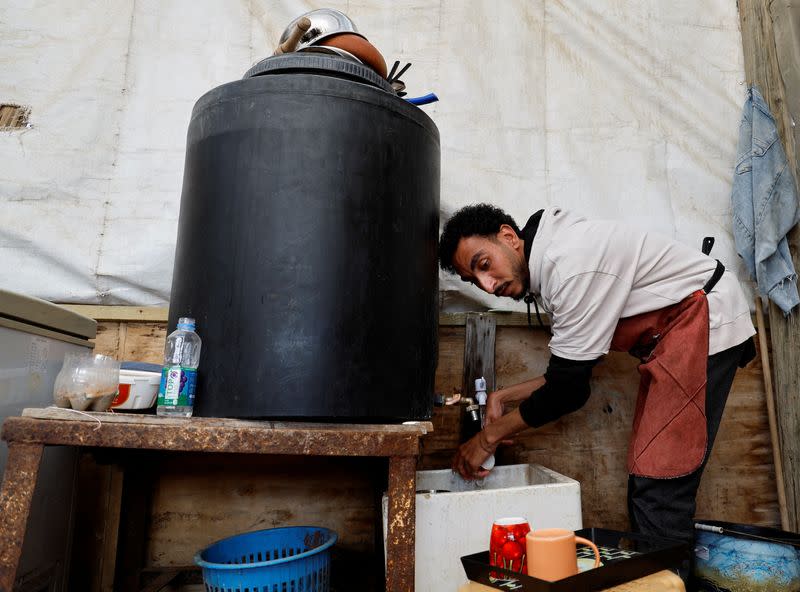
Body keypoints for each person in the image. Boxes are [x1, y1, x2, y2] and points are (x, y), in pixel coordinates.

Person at [438, 204, 756, 548]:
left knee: (661, 484)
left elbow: (568, 391)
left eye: (484, 265)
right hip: (674, 339)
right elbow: (575, 368)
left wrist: (488, 438)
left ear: (508, 237)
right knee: (648, 480)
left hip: (702, 321)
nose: (487, 285)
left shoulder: (569, 264)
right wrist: (503, 396)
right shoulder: (551, 264)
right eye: (474, 281)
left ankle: (669, 583)